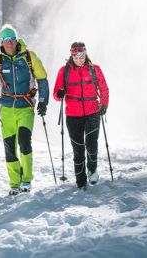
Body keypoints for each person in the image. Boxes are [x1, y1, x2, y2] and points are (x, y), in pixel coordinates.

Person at [0, 24, 49, 196]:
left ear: (16, 40)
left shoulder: (29, 57)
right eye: (5, 39)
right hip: (7, 109)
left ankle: (26, 180)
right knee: (9, 147)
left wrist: (43, 101)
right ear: (1, 42)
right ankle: (14, 183)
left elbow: (42, 78)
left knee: (24, 141)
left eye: (11, 39)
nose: (8, 42)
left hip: (25, 107)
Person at [53, 42, 109, 190]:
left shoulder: (94, 69)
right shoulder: (64, 71)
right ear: (72, 55)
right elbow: (56, 94)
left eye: (82, 55)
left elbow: (104, 89)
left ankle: (92, 170)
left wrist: (103, 104)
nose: (80, 59)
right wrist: (59, 93)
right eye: (76, 56)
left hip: (92, 112)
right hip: (73, 115)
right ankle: (81, 180)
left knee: (91, 144)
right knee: (78, 150)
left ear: (85, 54)